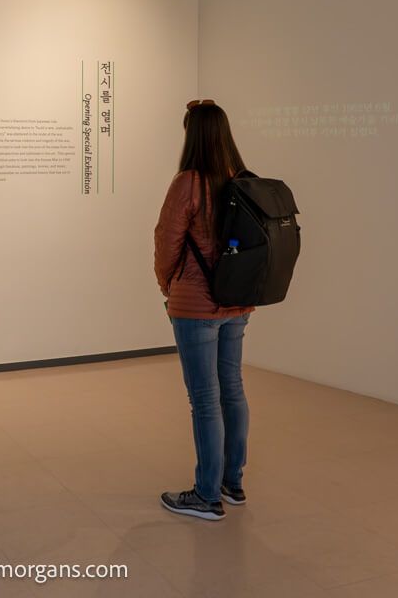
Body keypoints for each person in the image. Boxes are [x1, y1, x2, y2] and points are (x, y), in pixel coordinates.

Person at [154, 100, 254, 521]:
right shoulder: (241, 180)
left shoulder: (188, 183)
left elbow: (166, 242)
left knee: (205, 399)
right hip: (237, 301)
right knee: (231, 388)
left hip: (195, 306)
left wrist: (167, 285)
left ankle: (206, 495)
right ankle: (232, 483)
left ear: (191, 134)